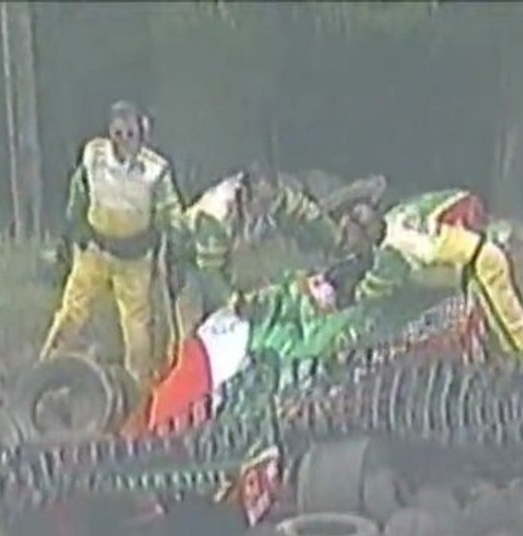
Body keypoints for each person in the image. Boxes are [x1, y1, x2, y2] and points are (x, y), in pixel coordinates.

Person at [122, 202, 389, 437]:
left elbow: (301, 330)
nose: (347, 228)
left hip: (235, 342)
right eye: (350, 220)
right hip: (228, 338)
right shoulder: (319, 252)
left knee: (172, 395)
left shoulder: (342, 294)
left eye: (357, 228)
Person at [355, 189, 523, 385]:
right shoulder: (400, 216)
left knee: (520, 340)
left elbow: (373, 290)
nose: (349, 243)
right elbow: (456, 199)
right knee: (506, 342)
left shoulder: (390, 253)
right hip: (482, 255)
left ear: (367, 232)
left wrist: (351, 293)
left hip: (482, 266)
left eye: (350, 236)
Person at [39, 100, 187, 387]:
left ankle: (138, 387)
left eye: (130, 134)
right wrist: (74, 231)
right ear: (110, 132)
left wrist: (177, 250)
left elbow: (171, 213)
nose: (124, 141)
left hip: (135, 258)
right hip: (95, 251)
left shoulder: (155, 170)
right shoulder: (94, 155)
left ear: (142, 133)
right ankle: (46, 370)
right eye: (118, 134)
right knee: (71, 311)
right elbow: (78, 193)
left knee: (137, 328)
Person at [185, 165, 346, 313]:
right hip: (190, 255)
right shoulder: (215, 216)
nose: (267, 209)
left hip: (235, 242)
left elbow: (303, 210)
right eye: (262, 203)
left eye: (270, 202)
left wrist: (333, 235)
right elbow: (209, 272)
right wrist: (234, 304)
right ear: (245, 194)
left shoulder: (270, 195)